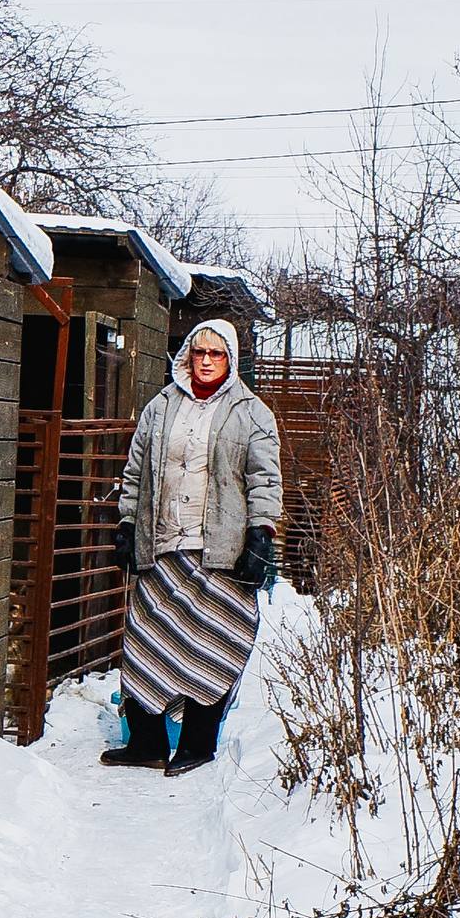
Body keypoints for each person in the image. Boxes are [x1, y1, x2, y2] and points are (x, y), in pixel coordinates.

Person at [102, 319, 282, 775]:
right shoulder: (161, 407)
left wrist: (261, 531)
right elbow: (136, 468)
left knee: (216, 644)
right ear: (186, 354)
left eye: (216, 354)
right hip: (163, 544)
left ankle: (198, 743)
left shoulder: (252, 412)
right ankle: (146, 743)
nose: (205, 361)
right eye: (199, 352)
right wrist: (127, 521)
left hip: (220, 550)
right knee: (146, 642)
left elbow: (264, 477)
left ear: (230, 359)